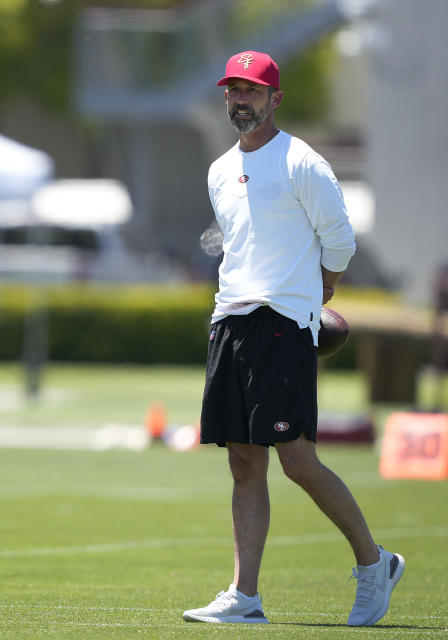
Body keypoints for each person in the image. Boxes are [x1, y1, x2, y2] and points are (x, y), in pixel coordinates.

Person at [182, 51, 404, 626]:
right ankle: (244, 596)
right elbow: (241, 247)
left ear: (274, 98)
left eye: (252, 91)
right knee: (243, 463)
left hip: (283, 324)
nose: (241, 99)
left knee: (298, 461)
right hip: (229, 321)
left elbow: (340, 244)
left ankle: (374, 563)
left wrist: (315, 298)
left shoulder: (303, 162)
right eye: (233, 89)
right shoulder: (217, 170)